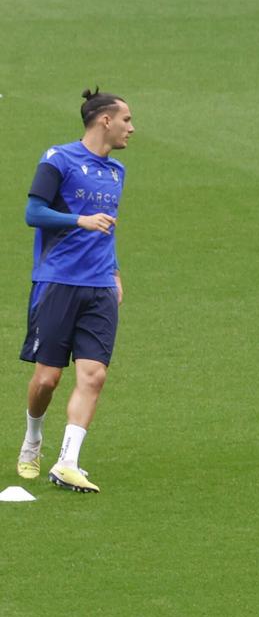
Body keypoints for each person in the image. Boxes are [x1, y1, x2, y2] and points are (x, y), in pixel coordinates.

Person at [18, 88, 134, 493]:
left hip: (100, 285)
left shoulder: (117, 171)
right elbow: (33, 212)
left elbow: (109, 229)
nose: (131, 129)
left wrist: (115, 271)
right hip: (57, 281)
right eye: (126, 120)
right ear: (105, 120)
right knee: (47, 379)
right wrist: (79, 220)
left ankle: (68, 461)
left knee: (94, 374)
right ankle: (33, 438)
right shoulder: (59, 160)